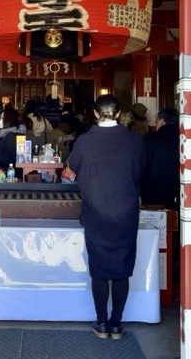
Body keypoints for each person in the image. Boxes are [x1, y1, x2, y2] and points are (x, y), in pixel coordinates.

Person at [67, 94, 146, 340]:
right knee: (122, 269)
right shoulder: (134, 141)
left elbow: (73, 171)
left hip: (96, 213)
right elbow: (140, 172)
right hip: (126, 212)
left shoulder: (84, 142)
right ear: (120, 114)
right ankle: (116, 324)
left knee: (99, 269)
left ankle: (101, 323)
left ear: (94, 113)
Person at [141, 107, 180, 211]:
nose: (156, 123)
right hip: (180, 194)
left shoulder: (149, 139)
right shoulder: (184, 138)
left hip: (153, 195)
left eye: (156, 120)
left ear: (162, 121)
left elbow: (141, 165)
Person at [0, 108, 26, 175]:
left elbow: (10, 159)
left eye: (2, 118)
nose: (0, 121)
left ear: (9, 120)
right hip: (3, 174)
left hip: (6, 176)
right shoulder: (7, 134)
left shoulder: (11, 136)